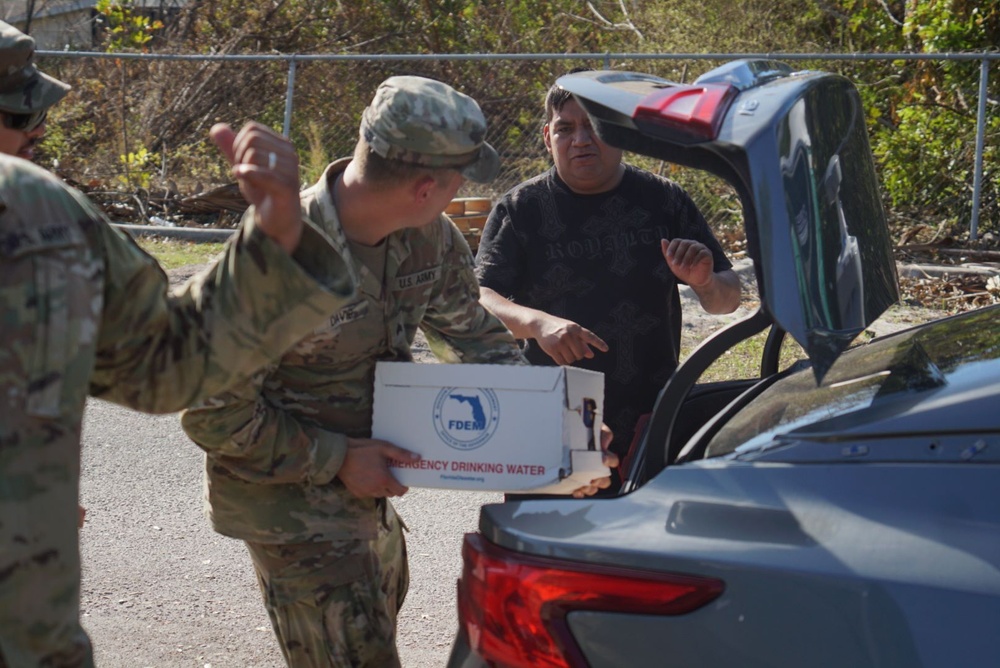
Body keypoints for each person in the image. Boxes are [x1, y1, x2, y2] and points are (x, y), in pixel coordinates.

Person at [181, 75, 616, 668]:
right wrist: (337, 459)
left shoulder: (427, 238)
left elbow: (474, 337)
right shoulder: (274, 257)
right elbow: (210, 411)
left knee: (380, 624)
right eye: (460, 176)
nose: (463, 188)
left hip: (372, 495)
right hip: (290, 506)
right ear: (424, 186)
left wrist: (561, 433)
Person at [0, 20, 362, 668]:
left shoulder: (39, 216)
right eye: (18, 109)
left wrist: (274, 236)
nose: (37, 131)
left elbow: (162, 363)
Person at [475, 76, 742, 492]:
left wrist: (705, 282)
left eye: (596, 126)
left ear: (621, 134)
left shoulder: (664, 200)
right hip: (555, 413)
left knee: (643, 542)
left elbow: (727, 301)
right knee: (553, 539)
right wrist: (537, 323)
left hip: (654, 413)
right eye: (566, 128)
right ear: (548, 137)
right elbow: (480, 299)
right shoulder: (520, 209)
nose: (581, 140)